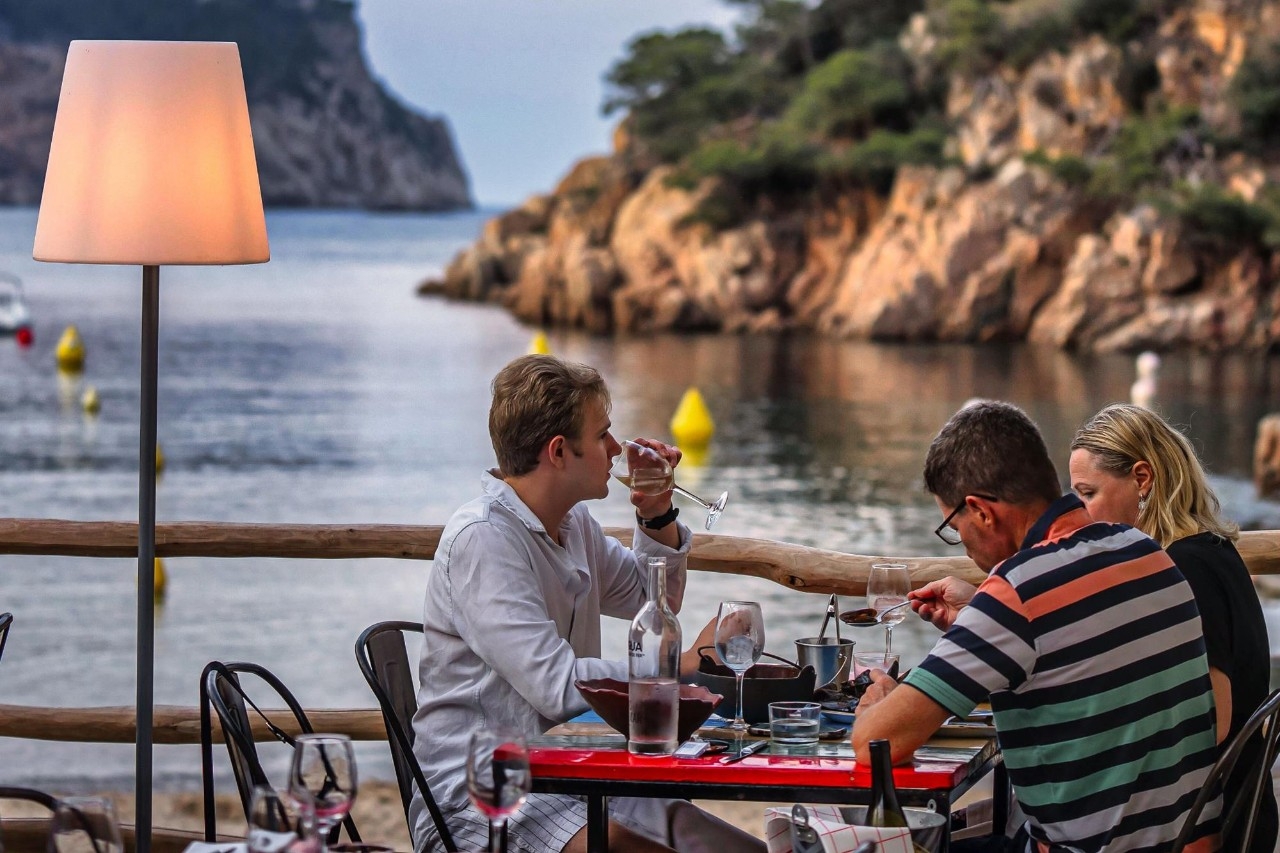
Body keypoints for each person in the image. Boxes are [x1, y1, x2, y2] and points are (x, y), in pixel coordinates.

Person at [409, 354, 764, 853]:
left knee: (739, 852)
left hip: (576, 773)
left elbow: (653, 597)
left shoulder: (574, 524)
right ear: (558, 452)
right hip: (486, 797)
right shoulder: (484, 539)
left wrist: (657, 511)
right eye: (602, 435)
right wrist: (677, 669)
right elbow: (555, 688)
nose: (617, 448)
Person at [851, 400, 1221, 852]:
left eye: (953, 524)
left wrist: (877, 700)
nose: (961, 541)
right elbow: (1069, 652)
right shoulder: (1145, 551)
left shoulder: (1016, 591)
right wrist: (980, 618)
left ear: (981, 511)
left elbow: (876, 745)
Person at [1070, 402, 1276, 852]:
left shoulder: (1188, 569)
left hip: (1208, 824)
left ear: (1142, 479)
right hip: (1229, 805)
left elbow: (1210, 724)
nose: (1081, 514)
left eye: (1088, 494)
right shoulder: (1206, 551)